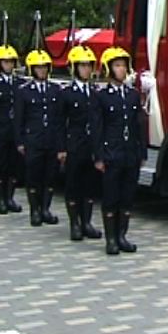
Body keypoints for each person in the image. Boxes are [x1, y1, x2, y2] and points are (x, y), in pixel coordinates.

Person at [91, 46, 145, 256]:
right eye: (117, 65)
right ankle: (111, 238)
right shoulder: (102, 96)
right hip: (111, 153)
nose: (121, 70)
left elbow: (139, 125)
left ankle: (122, 235)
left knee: (127, 197)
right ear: (108, 68)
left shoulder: (132, 95)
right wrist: (99, 156)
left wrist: (141, 153)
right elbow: (97, 128)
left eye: (123, 65)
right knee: (111, 197)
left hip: (129, 153)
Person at [58, 45, 103, 241]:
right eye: (82, 66)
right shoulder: (66, 93)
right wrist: (61, 148)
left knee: (89, 186)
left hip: (90, 146)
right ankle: (74, 223)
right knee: (73, 186)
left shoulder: (94, 93)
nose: (86, 69)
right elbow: (59, 123)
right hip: (74, 146)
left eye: (88, 65)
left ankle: (86, 222)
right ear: (74, 68)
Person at [15, 49, 62, 227]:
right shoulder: (24, 91)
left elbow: (58, 119)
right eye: (38, 67)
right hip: (33, 140)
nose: (41, 70)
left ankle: (45, 209)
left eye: (44, 67)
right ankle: (34, 210)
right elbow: (19, 118)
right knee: (34, 176)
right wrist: (19, 141)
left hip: (51, 140)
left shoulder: (55, 89)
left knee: (50, 177)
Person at [0, 44, 24, 215]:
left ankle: (10, 197)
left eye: (11, 62)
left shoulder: (20, 84)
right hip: (0, 129)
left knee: (14, 165)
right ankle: (1, 199)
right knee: (1, 166)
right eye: (5, 62)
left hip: (15, 131)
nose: (8, 65)